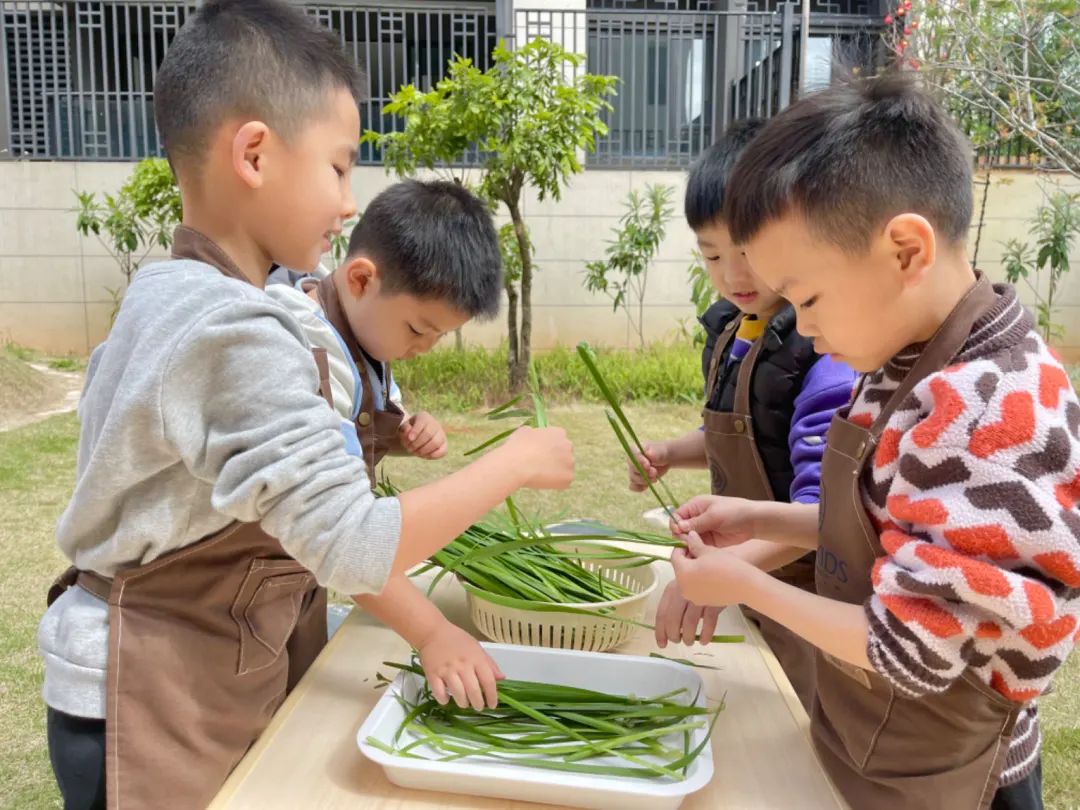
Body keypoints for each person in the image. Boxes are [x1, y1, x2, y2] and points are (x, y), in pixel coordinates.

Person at [37, 2, 573, 808]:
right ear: (254, 153)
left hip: (178, 669)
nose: (347, 201)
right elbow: (355, 547)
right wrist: (514, 462)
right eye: (339, 166)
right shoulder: (231, 327)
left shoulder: (178, 294)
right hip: (145, 691)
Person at [670, 72, 1078, 810]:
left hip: (956, 780)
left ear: (904, 251)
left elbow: (909, 651)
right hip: (872, 747)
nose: (805, 325)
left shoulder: (986, 408)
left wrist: (745, 584)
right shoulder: (908, 356)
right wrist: (764, 520)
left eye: (809, 297)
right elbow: (892, 526)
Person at [631, 119, 855, 709]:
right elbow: (735, 432)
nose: (733, 276)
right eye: (711, 254)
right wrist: (673, 453)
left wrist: (728, 572)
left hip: (805, 594)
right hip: (746, 581)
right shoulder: (734, 329)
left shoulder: (827, 354)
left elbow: (821, 516)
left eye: (749, 253)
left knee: (799, 719)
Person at [265, 178, 509, 715]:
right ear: (360, 279)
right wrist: (432, 633)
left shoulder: (367, 341)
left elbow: (369, 418)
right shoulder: (299, 344)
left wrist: (408, 432)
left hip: (294, 584)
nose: (422, 348)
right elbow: (342, 538)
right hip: (256, 588)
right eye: (419, 329)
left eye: (437, 338)